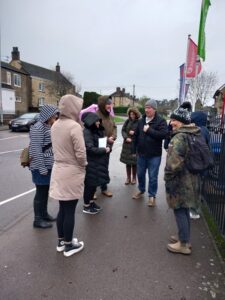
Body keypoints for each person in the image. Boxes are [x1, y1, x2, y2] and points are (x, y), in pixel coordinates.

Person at [50, 94, 87, 257]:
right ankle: (69, 245)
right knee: (70, 209)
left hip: (58, 169)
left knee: (63, 209)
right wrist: (84, 164)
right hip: (72, 170)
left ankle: (61, 241)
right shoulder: (74, 126)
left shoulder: (55, 125)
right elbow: (80, 152)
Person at [164, 107, 201, 255]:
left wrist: (167, 177)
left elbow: (173, 164)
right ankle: (183, 237)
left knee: (180, 210)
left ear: (182, 121)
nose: (171, 122)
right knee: (184, 209)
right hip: (190, 179)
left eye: (174, 120)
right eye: (172, 119)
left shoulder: (180, 137)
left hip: (180, 181)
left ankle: (183, 244)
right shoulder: (193, 133)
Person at [132, 99, 168, 206]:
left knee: (152, 176)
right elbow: (135, 136)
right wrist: (134, 150)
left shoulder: (161, 121)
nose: (146, 110)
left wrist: (149, 130)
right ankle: (141, 190)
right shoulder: (141, 121)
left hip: (154, 155)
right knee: (140, 174)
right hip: (141, 154)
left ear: (154, 109)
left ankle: (152, 195)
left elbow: (163, 135)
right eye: (145, 107)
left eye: (149, 108)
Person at [29, 104, 59, 229]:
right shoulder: (38, 127)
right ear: (48, 115)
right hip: (40, 167)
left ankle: (44, 214)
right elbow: (36, 150)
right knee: (40, 193)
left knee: (45, 192)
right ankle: (37, 219)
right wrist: (42, 168)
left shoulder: (47, 126)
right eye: (54, 114)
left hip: (47, 166)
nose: (56, 116)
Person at [82, 112, 111, 214]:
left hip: (97, 162)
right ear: (91, 122)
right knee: (89, 185)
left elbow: (104, 142)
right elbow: (89, 149)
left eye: (99, 120)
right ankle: (86, 206)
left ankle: (91, 202)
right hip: (91, 163)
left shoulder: (97, 131)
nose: (98, 123)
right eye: (96, 121)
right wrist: (104, 150)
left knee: (94, 184)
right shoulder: (87, 132)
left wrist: (108, 147)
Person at [190, 110, 210, 219]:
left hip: (197, 164)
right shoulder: (205, 130)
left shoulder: (199, 130)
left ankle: (195, 211)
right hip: (202, 164)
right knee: (198, 187)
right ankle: (195, 209)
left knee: (195, 188)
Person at [96, 95, 117, 197]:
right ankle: (92, 191)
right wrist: (106, 138)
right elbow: (94, 132)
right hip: (97, 147)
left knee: (104, 167)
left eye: (111, 104)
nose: (110, 106)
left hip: (108, 145)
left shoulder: (110, 116)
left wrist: (113, 136)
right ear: (102, 104)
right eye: (108, 104)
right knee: (95, 168)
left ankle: (104, 188)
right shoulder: (96, 116)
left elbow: (114, 128)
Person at [120, 107, 141, 185]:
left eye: (133, 114)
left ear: (136, 114)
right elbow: (123, 130)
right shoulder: (127, 121)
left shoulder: (139, 122)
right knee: (128, 162)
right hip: (127, 144)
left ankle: (134, 178)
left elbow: (141, 133)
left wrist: (134, 132)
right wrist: (126, 137)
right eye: (130, 114)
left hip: (135, 145)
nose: (132, 116)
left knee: (134, 162)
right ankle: (128, 178)